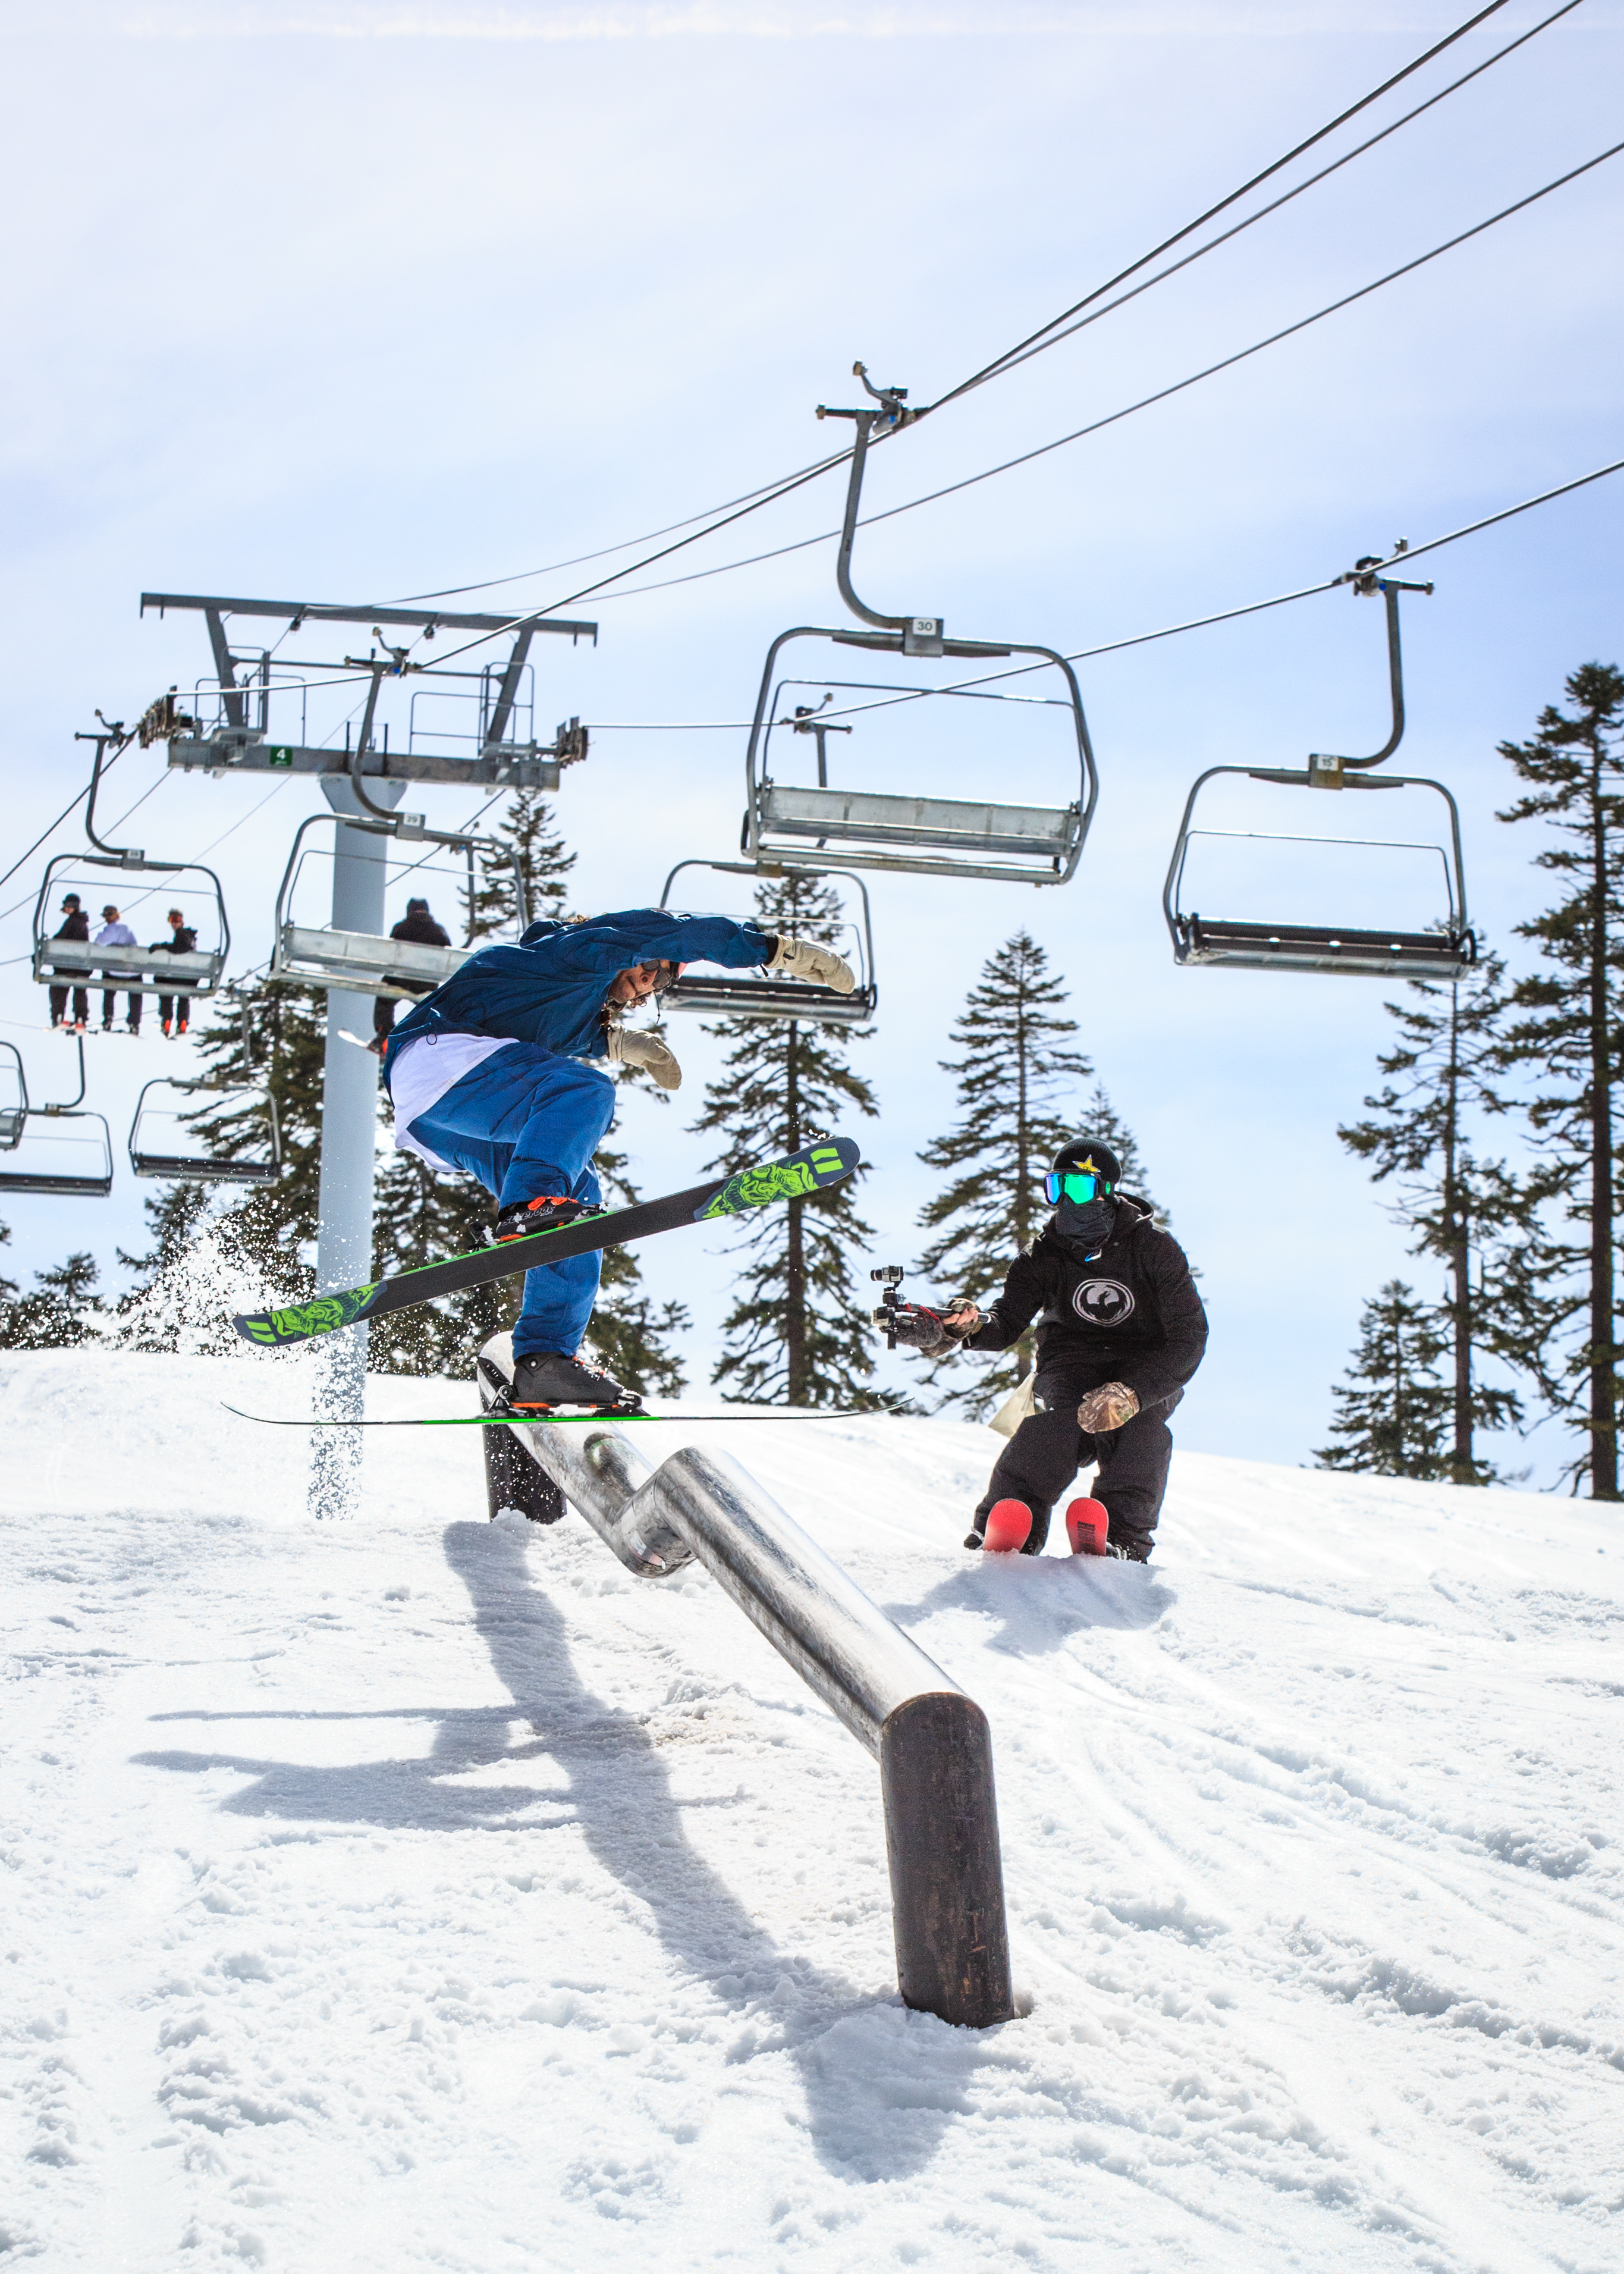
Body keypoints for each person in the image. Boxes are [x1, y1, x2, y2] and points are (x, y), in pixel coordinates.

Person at [382, 905, 853, 1413]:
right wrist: (773, 950)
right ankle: (526, 1207)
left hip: (436, 1117)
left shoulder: (572, 1006)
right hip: (436, 1059)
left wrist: (619, 1043)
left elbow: (564, 1030)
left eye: (654, 988)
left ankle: (545, 1360)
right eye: (647, 971)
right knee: (582, 1091)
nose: (645, 985)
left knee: (578, 1193)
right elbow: (674, 931)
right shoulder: (576, 952)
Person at [888, 1137, 1207, 1561]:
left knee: (1142, 1428)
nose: (1066, 1203)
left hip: (1144, 1363)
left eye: (1079, 1189)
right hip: (1071, 1360)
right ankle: (1010, 1516)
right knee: (1057, 1421)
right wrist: (961, 1327)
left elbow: (1190, 1335)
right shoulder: (1041, 1255)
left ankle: (1124, 1537)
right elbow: (1004, 1324)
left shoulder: (1153, 1247)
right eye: (1057, 1189)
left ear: (1107, 1193)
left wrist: (1134, 1391)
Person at [370, 897, 453, 1053]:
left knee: (384, 1001)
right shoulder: (437, 930)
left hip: (401, 979)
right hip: (426, 982)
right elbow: (448, 951)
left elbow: (392, 952)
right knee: (429, 1007)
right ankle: (431, 1036)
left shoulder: (401, 928)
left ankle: (384, 1036)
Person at [94, 905, 140, 1034]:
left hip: (114, 970)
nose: (107, 917)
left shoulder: (113, 929)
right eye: (106, 915)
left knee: (109, 989)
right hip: (131, 971)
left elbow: (100, 942)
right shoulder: (128, 930)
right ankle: (134, 1022)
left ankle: (108, 1018)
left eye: (109, 914)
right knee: (136, 990)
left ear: (116, 915)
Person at [48, 894, 90, 1030]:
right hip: (80, 965)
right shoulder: (81, 922)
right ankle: (80, 1018)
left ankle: (58, 1017)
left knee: (59, 988)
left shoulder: (73, 921)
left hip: (67, 963)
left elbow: (62, 937)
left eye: (67, 905)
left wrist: (49, 945)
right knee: (79, 989)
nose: (65, 908)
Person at [154, 908, 197, 1037]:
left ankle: (167, 1019)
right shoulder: (189, 936)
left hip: (181, 976)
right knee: (183, 994)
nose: (174, 923)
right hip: (189, 977)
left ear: (182, 920)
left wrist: (164, 946)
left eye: (176, 919)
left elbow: (181, 948)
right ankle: (182, 1022)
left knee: (164, 984)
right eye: (171, 920)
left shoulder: (182, 934)